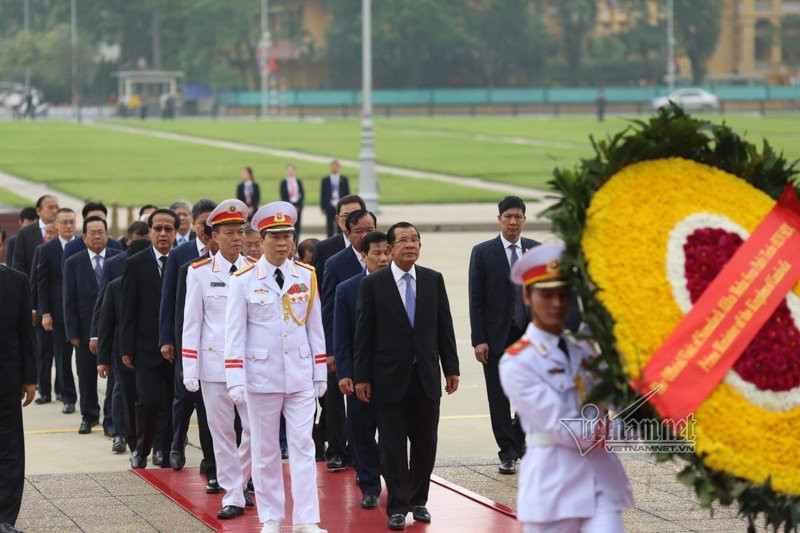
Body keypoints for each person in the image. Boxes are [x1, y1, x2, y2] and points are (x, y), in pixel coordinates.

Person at [499, 242, 633, 533]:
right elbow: (565, 429)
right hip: (553, 488)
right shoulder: (518, 361)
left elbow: (622, 410)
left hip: (600, 484)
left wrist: (649, 417)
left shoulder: (586, 349)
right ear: (527, 296)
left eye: (563, 294)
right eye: (546, 295)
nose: (557, 304)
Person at [225, 201, 327, 533]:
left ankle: (306, 519)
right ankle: (270, 516)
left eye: (287, 236)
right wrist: (236, 379)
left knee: (303, 446)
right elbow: (234, 334)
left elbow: (315, 329)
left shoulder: (306, 275)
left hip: (299, 376)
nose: (283, 243)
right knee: (265, 450)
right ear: (262, 239)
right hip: (261, 377)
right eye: (275, 237)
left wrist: (320, 372)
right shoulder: (243, 280)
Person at [354, 222, 460, 531]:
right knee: (392, 445)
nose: (410, 245)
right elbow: (364, 334)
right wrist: (362, 376)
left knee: (425, 442)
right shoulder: (373, 284)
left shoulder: (432, 280)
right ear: (390, 248)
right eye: (403, 241)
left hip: (426, 376)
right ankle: (397, 505)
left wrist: (451, 368)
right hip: (388, 378)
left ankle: (419, 500)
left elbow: (445, 329)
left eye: (415, 240)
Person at [183, 200, 255, 519]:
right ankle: (233, 491)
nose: (237, 238)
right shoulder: (199, 273)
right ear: (214, 236)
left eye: (240, 231)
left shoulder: (255, 268)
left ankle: (243, 481)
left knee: (255, 428)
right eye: (229, 232)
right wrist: (190, 368)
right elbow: (192, 323)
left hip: (250, 365)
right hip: (213, 365)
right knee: (221, 430)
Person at [468, 195, 539, 475]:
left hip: (529, 337)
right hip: (496, 336)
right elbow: (476, 298)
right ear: (499, 219)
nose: (512, 222)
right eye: (507, 217)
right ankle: (507, 452)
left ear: (524, 220)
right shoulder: (483, 252)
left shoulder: (535, 250)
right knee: (498, 397)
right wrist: (479, 339)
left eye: (517, 217)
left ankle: (518, 438)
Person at [333, 231, 391, 510]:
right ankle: (369, 485)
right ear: (364, 256)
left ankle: (396, 481)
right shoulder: (347, 289)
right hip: (358, 376)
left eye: (386, 253)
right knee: (361, 433)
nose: (382, 259)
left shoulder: (401, 285)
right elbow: (341, 336)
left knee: (393, 433)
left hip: (393, 375)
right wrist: (344, 373)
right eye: (376, 254)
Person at [159, 199, 217, 470]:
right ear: (192, 224)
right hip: (187, 337)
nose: (206, 228)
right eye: (201, 223)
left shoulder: (224, 254)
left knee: (209, 406)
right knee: (183, 398)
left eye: (211, 223)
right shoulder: (180, 256)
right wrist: (168, 339)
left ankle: (211, 457)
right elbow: (169, 301)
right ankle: (177, 443)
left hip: (215, 342)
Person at [121, 208, 178, 469]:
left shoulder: (183, 262)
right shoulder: (136, 263)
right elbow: (128, 309)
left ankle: (164, 449)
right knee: (149, 400)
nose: (163, 234)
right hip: (145, 347)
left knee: (171, 403)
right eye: (158, 229)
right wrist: (126, 347)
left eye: (169, 229)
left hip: (177, 348)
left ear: (176, 232)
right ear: (150, 231)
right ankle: (141, 449)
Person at [320, 209, 376, 472]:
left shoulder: (384, 259)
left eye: (370, 229)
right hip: (345, 347)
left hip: (377, 351)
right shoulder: (336, 263)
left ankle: (364, 457)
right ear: (346, 231)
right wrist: (330, 351)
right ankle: (338, 450)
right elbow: (329, 310)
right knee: (339, 402)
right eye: (359, 231)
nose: (365, 235)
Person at [63, 217, 121, 435]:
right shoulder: (74, 262)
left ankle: (112, 420)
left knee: (115, 378)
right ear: (84, 237)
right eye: (93, 233)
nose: (98, 236)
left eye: (101, 232)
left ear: (107, 235)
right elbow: (68, 299)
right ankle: (89, 416)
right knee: (86, 376)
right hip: (85, 330)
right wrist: (73, 332)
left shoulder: (117, 259)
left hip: (113, 331)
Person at [96, 237, 152, 455]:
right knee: (125, 396)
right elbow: (106, 324)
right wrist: (102, 359)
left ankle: (155, 441)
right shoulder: (115, 287)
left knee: (153, 398)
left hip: (152, 353)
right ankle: (127, 437)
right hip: (124, 354)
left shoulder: (158, 282)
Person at [0, 264, 36, 533]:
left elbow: (26, 331)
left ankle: (5, 517)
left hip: (6, 379)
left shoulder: (16, 280)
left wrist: (29, 378)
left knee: (10, 451)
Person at [35, 208, 78, 411]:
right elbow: (42, 284)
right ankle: (68, 396)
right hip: (59, 312)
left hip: (84, 311)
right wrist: (45, 313)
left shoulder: (82, 246)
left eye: (72, 222)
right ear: (57, 225)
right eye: (65, 222)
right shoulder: (47, 250)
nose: (69, 226)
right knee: (62, 357)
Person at [319, 160, 350, 238]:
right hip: (329, 205)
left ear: (339, 168)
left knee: (341, 225)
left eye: (336, 167)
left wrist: (347, 207)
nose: (334, 169)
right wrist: (322, 208)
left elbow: (347, 193)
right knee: (329, 226)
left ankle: (340, 241)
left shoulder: (344, 179)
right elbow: (322, 194)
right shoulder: (325, 180)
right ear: (330, 168)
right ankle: (330, 241)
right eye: (332, 167)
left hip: (340, 206)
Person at [279, 164, 305, 239]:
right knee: (289, 227)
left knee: (297, 228)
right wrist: (291, 207)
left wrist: (298, 206)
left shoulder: (298, 181)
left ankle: (296, 245)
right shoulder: (283, 182)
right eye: (289, 170)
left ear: (294, 171)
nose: (290, 172)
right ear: (286, 172)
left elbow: (302, 194)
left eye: (292, 170)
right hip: (288, 208)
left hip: (298, 207)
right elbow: (283, 196)